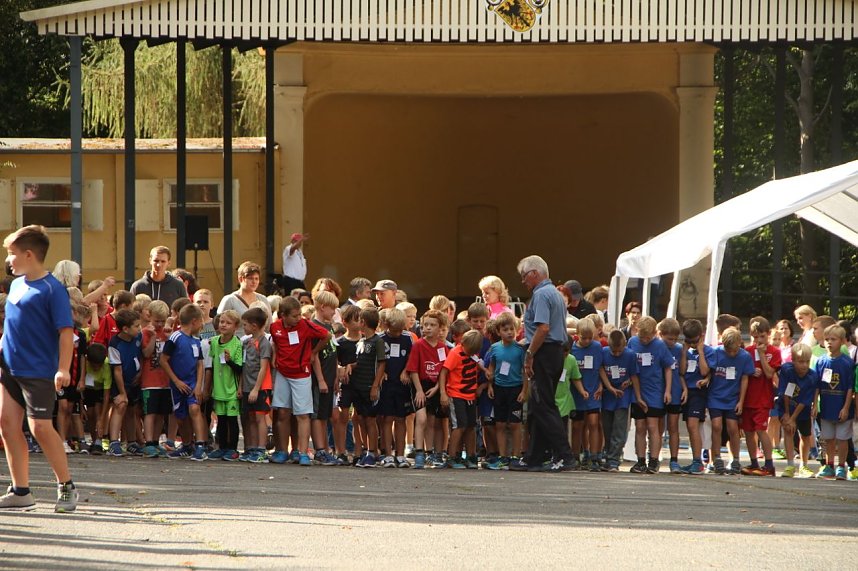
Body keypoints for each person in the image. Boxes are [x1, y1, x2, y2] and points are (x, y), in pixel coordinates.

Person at [0, 225, 78, 512]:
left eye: (12, 254)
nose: (8, 260)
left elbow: (66, 331)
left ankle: (66, 486)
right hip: (10, 368)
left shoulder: (52, 289)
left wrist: (63, 368)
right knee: (7, 425)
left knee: (40, 428)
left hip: (38, 371)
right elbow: (13, 324)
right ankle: (21, 491)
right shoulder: (16, 284)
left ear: (29, 255)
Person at [516, 255, 576, 472]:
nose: (523, 281)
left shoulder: (541, 295)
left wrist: (530, 353)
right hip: (555, 352)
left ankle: (564, 455)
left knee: (543, 405)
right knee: (538, 406)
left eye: (524, 276)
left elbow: (542, 329)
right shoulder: (556, 294)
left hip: (543, 351)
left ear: (534, 273)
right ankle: (534, 456)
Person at [269, 296, 331, 466]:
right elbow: (275, 343)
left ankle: (302, 452)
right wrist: (275, 356)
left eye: (299, 315)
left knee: (303, 414)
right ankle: (282, 450)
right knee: (282, 412)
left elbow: (326, 335)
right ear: (283, 315)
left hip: (301, 375)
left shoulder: (305, 325)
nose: (298, 318)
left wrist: (313, 352)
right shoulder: (274, 327)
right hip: (282, 373)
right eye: (294, 316)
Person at [628, 316, 674, 474]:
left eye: (648, 337)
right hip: (637, 390)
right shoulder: (632, 342)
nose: (645, 340)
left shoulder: (660, 346)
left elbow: (668, 367)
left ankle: (653, 460)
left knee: (653, 426)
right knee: (640, 426)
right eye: (642, 336)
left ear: (655, 333)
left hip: (654, 391)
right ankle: (640, 460)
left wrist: (667, 390)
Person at [161, 303, 207, 461]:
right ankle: (187, 444)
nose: (202, 325)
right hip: (178, 385)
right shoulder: (176, 338)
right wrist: (176, 381)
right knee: (180, 416)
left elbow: (200, 363)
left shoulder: (196, 340)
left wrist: (199, 385)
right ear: (194, 321)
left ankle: (200, 445)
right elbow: (163, 360)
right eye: (201, 321)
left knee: (194, 409)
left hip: (192, 382)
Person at [407, 309, 449, 469]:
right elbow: (413, 369)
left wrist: (439, 387)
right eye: (425, 325)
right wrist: (418, 390)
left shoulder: (442, 348)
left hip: (436, 386)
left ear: (440, 328)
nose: (428, 328)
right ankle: (419, 452)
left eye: (432, 325)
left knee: (432, 420)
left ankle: (431, 452)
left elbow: (444, 371)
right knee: (422, 418)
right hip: (420, 385)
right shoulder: (418, 345)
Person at [485, 312, 528, 470]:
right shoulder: (494, 348)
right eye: (505, 329)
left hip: (515, 389)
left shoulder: (520, 349)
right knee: (500, 424)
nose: (509, 332)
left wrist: (524, 390)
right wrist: (490, 385)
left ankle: (516, 456)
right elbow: (492, 367)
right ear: (498, 332)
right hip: (499, 389)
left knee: (515, 424)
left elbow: (525, 371)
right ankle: (503, 456)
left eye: (512, 329)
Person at [709, 327, 754, 475]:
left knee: (733, 427)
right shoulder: (716, 353)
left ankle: (735, 458)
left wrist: (741, 401)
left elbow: (745, 379)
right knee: (716, 426)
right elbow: (710, 372)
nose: (732, 353)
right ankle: (716, 458)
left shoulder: (744, 357)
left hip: (732, 398)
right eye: (729, 351)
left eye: (735, 350)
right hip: (716, 396)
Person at [344, 307, 386, 467]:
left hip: (369, 385)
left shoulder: (378, 341)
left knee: (370, 419)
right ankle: (364, 450)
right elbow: (360, 362)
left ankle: (372, 451)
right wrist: (350, 366)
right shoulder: (361, 342)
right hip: (358, 385)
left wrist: (375, 385)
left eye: (359, 320)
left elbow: (382, 364)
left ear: (364, 323)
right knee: (360, 418)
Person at [740, 316, 781, 477]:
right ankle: (754, 462)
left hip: (763, 399)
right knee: (749, 432)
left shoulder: (773, 352)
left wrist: (762, 355)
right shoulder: (747, 352)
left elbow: (770, 374)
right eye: (755, 337)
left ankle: (769, 464)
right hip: (748, 398)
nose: (758, 340)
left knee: (760, 429)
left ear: (768, 334)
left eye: (762, 336)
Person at [813, 324, 855, 480]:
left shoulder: (847, 363)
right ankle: (829, 464)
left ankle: (841, 466)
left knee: (842, 438)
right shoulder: (821, 361)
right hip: (826, 405)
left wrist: (846, 407)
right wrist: (814, 404)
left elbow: (850, 387)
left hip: (841, 406)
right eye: (827, 339)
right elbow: (817, 385)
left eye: (834, 339)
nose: (830, 342)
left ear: (842, 341)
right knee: (828, 437)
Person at [439, 330, 483, 469]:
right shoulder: (455, 353)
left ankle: (471, 455)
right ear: (462, 343)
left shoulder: (473, 354)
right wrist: (443, 393)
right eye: (469, 350)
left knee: (471, 426)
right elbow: (444, 372)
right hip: (456, 395)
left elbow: (477, 364)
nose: (470, 353)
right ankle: (452, 456)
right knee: (459, 426)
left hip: (470, 395)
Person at [377, 308, 413, 468]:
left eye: (401, 330)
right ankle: (388, 454)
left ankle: (400, 454)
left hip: (402, 385)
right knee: (387, 419)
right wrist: (381, 372)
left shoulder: (408, 339)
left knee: (401, 419)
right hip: (386, 384)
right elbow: (376, 360)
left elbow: (412, 358)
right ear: (386, 325)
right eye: (394, 330)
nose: (398, 333)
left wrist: (406, 371)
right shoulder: (380, 339)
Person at [679, 319, 714, 475]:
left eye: (695, 341)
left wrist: (699, 351)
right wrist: (685, 352)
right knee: (690, 427)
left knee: (694, 426)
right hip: (687, 391)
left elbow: (705, 371)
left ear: (701, 336)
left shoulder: (708, 351)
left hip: (699, 392)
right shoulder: (685, 351)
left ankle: (698, 461)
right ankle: (695, 459)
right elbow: (681, 371)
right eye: (689, 341)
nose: (692, 344)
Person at [570, 318, 606, 471]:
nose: (586, 341)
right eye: (583, 338)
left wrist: (601, 385)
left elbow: (601, 368)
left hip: (593, 390)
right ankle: (576, 455)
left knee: (593, 422)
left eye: (590, 338)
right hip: (577, 393)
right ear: (577, 335)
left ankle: (594, 456)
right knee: (578, 425)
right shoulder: (572, 349)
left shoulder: (597, 347)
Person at [309, 291, 340, 466]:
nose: (334, 312)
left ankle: (326, 450)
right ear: (322, 307)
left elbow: (333, 354)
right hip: (318, 379)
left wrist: (334, 377)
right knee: (318, 415)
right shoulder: (314, 327)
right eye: (332, 308)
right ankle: (320, 450)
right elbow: (314, 357)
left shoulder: (329, 327)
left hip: (330, 377)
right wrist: (320, 379)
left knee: (325, 415)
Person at [106, 309, 143, 457]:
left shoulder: (138, 337)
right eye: (136, 326)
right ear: (125, 329)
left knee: (132, 410)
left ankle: (131, 442)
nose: (139, 328)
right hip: (120, 381)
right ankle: (114, 442)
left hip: (134, 380)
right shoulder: (115, 344)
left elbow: (140, 355)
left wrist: (140, 373)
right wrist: (122, 392)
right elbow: (117, 370)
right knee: (120, 405)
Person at [239, 307, 273, 463]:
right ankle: (252, 447)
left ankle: (261, 449)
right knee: (250, 417)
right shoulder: (246, 342)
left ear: (254, 326)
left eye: (245, 325)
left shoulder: (264, 343)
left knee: (260, 418)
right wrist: (241, 387)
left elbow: (264, 367)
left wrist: (256, 389)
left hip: (259, 388)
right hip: (247, 387)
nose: (243, 328)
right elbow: (244, 367)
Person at [207, 310, 243, 461]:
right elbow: (210, 364)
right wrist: (208, 388)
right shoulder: (214, 341)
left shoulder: (237, 343)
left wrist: (229, 361)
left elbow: (240, 368)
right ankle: (221, 447)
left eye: (228, 323)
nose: (223, 325)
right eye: (222, 322)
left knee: (232, 420)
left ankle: (232, 448)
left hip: (231, 390)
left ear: (235, 327)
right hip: (218, 388)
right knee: (220, 419)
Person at [600, 329, 638, 472]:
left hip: (622, 396)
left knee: (619, 428)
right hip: (608, 395)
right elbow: (601, 369)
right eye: (613, 352)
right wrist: (609, 387)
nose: (616, 354)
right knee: (607, 426)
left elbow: (634, 375)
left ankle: (614, 459)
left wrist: (628, 382)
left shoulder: (630, 355)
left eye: (619, 351)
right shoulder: (603, 352)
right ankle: (608, 455)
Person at [778, 343, 817, 478]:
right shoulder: (787, 370)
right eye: (800, 362)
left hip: (802, 410)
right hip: (786, 406)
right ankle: (790, 465)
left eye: (807, 362)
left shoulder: (812, 377)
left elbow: (804, 402)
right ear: (793, 360)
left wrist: (793, 418)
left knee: (805, 436)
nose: (804, 365)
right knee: (788, 431)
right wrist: (787, 415)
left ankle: (804, 465)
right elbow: (786, 392)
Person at [140, 301, 172, 458]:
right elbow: (146, 353)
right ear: (149, 316)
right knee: (150, 413)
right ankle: (148, 442)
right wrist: (153, 337)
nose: (159, 324)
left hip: (164, 381)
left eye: (162, 321)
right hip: (149, 381)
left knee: (161, 413)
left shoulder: (166, 333)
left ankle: (156, 441)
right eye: (156, 321)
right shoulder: (146, 332)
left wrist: (168, 337)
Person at [657, 318, 685, 474]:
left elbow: (681, 372)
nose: (673, 342)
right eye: (669, 339)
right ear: (660, 335)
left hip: (674, 392)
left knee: (673, 426)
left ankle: (674, 460)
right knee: (658, 427)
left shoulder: (678, 349)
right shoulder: (657, 347)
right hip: (657, 393)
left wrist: (684, 388)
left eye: (675, 339)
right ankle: (655, 456)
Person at [217, 261, 269, 336]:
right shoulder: (230, 300)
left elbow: (269, 325)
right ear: (241, 279)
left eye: (256, 278)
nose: (254, 282)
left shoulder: (263, 299)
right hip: (236, 343)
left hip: (259, 343)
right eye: (250, 278)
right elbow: (219, 324)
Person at [82, 342, 111, 455]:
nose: (96, 368)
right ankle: (94, 440)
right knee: (90, 414)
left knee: (98, 412)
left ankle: (99, 441)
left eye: (99, 365)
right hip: (88, 388)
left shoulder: (106, 366)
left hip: (101, 389)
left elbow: (106, 394)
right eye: (94, 365)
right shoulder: (84, 364)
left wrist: (102, 418)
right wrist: (81, 406)